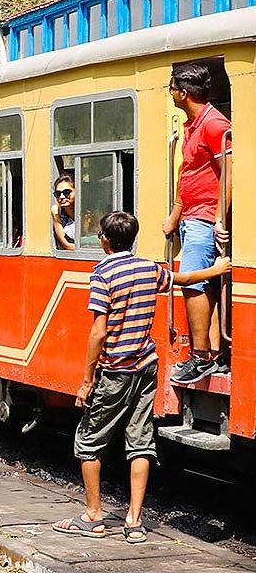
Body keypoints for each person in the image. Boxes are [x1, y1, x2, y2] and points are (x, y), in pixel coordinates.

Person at [53, 211, 229, 544]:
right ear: (132, 239)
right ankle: (134, 522)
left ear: (105, 239)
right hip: (147, 365)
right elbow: (183, 280)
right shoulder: (148, 268)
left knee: (89, 442)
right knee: (141, 442)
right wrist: (217, 270)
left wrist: (88, 380)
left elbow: (98, 332)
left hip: (115, 369)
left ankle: (93, 516)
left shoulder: (102, 273)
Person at [163, 63, 232, 384]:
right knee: (206, 286)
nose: (171, 93)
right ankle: (214, 355)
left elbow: (230, 174)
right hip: (191, 217)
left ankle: (200, 356)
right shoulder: (193, 125)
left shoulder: (215, 125)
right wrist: (176, 214)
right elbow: (187, 174)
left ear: (184, 93)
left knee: (192, 283)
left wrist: (220, 218)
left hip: (205, 218)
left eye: (172, 88)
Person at [51, 176, 76, 250]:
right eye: (58, 194)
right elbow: (66, 244)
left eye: (66, 192)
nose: (61, 197)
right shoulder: (56, 211)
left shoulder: (90, 211)